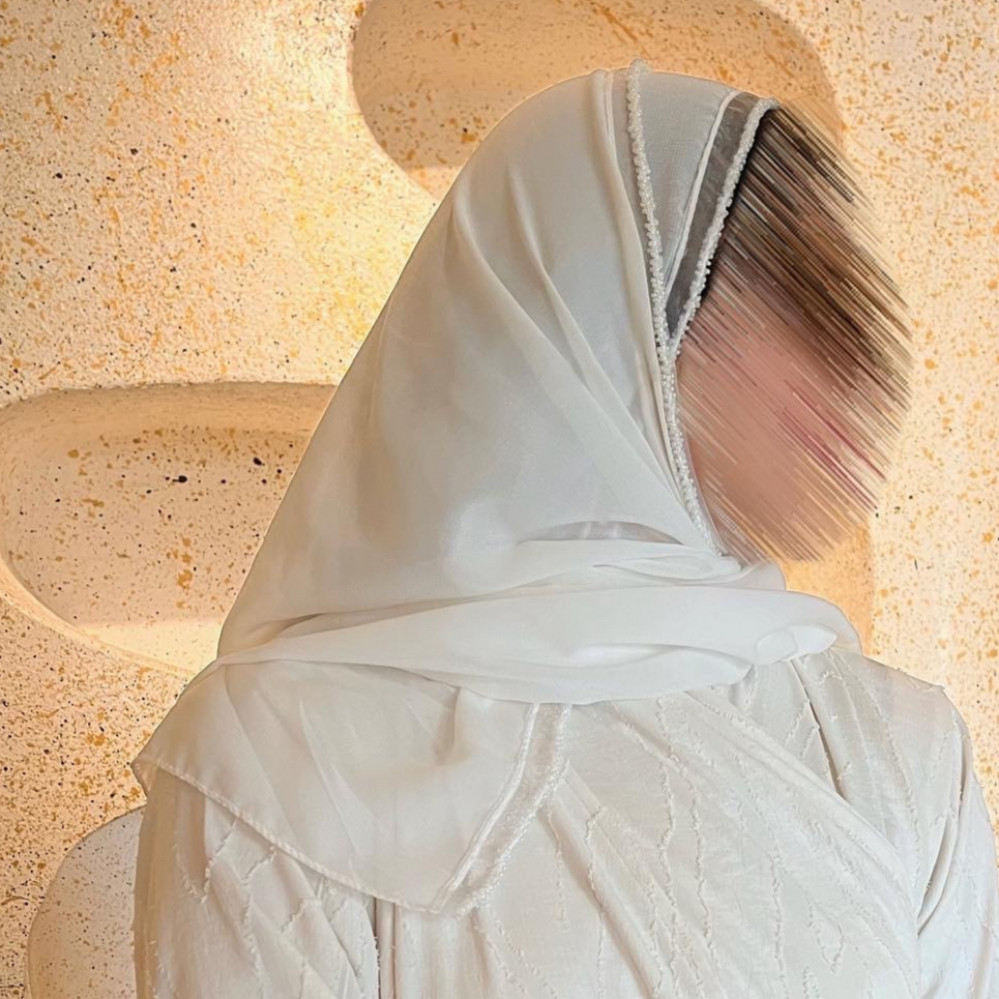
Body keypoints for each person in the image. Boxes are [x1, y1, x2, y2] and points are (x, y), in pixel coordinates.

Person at [131, 58, 999, 997]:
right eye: (786, 297)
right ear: (586, 320)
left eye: (843, 305)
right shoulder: (273, 763)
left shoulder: (899, 746)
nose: (850, 370)